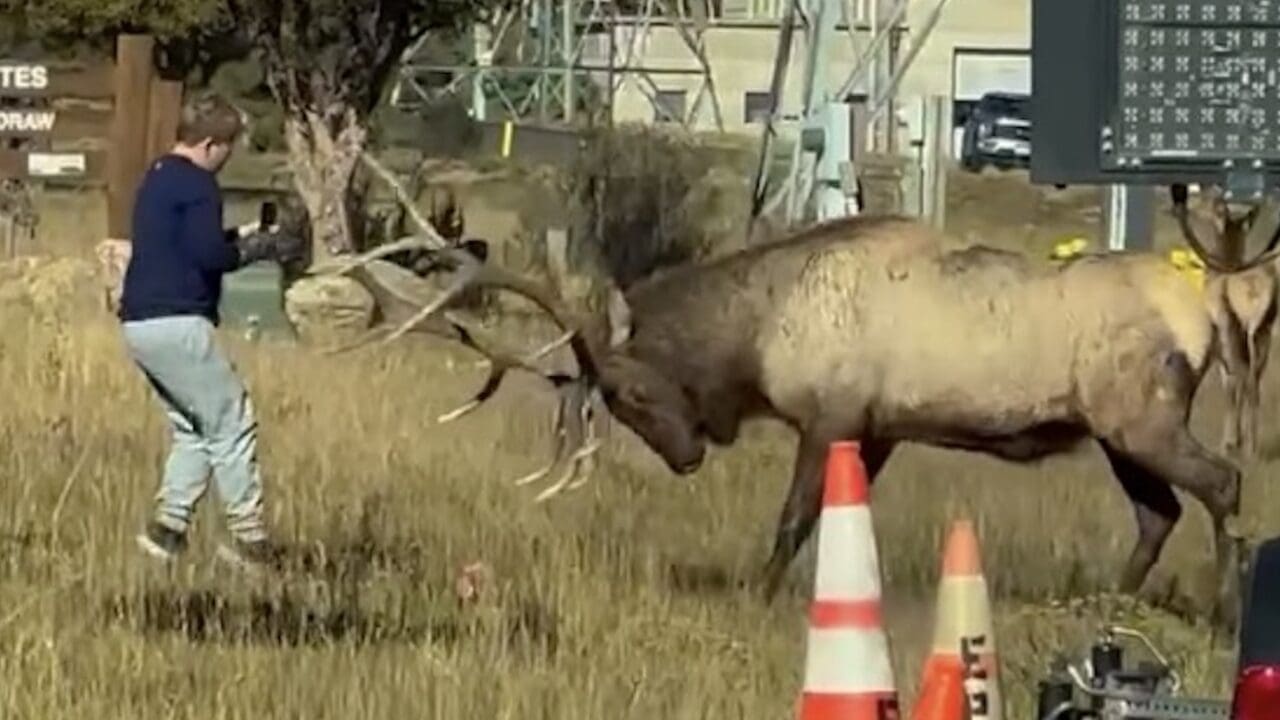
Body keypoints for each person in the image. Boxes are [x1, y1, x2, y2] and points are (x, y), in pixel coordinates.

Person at [118, 93, 295, 572]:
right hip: (180, 322)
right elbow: (210, 257)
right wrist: (261, 250)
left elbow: (187, 243)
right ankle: (248, 539)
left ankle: (167, 530)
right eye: (229, 147)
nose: (228, 157)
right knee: (233, 422)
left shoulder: (158, 177)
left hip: (140, 322)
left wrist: (245, 233)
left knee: (196, 428)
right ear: (212, 143)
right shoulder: (199, 185)